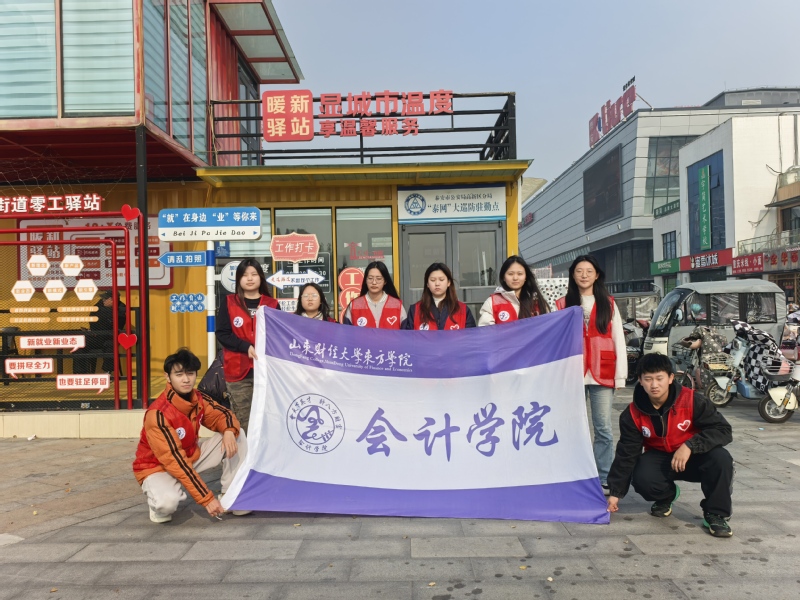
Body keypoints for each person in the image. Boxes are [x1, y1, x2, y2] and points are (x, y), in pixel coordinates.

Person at [606, 352, 734, 538]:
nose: (654, 385)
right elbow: (627, 453)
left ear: (671, 378)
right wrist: (615, 493)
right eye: (648, 379)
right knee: (641, 475)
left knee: (721, 459)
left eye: (659, 378)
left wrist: (690, 445)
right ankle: (666, 496)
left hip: (694, 456)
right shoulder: (632, 414)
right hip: (662, 458)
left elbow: (723, 430)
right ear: (640, 380)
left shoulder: (693, 400)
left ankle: (716, 514)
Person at [132, 348, 250, 523]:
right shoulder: (158, 414)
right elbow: (174, 460)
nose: (186, 379)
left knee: (237, 434)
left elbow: (223, 415)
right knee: (167, 505)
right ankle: (157, 500)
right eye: (179, 374)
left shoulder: (198, 398)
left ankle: (231, 495)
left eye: (190, 373)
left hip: (190, 454)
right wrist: (207, 499)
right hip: (157, 467)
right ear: (167, 377)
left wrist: (228, 431)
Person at [555, 255, 626, 495]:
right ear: (572, 275)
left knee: (603, 427)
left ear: (597, 275)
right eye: (579, 271)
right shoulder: (562, 304)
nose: (584, 275)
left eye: (588, 271)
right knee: (572, 426)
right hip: (572, 374)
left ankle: (604, 477)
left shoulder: (609, 303)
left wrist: (620, 375)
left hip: (602, 371)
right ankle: (573, 474)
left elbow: (618, 338)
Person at [215, 259, 278, 433]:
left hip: (266, 373)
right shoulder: (229, 302)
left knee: (268, 421)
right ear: (238, 279)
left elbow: (278, 336)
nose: (249, 279)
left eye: (254, 274)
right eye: (244, 275)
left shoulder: (272, 304)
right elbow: (222, 333)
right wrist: (245, 347)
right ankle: (246, 452)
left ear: (261, 277)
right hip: (238, 373)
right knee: (245, 423)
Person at [478, 255, 549, 326]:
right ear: (503, 277)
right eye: (510, 274)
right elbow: (486, 331)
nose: (515, 278)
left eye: (520, 274)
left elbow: (548, 327)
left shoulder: (537, 301)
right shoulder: (492, 302)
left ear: (525, 277)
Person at [403, 263, 476, 330]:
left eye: (441, 280)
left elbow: (471, 338)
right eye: (433, 280)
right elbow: (408, 338)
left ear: (448, 282)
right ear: (427, 284)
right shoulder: (415, 310)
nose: (437, 283)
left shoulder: (463, 310)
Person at [74, 290, 127, 376]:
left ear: (112, 299)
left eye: (105, 298)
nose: (103, 300)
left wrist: (103, 316)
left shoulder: (122, 307)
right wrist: (106, 318)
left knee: (110, 344)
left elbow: (117, 324)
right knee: (80, 343)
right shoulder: (100, 304)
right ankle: (80, 373)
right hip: (97, 336)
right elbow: (93, 317)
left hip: (110, 337)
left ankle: (108, 372)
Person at [342, 261, 406, 329]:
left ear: (385, 281)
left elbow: (405, 333)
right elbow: (346, 333)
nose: (374, 282)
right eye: (370, 278)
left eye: (378, 279)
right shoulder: (354, 305)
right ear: (365, 280)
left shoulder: (397, 305)